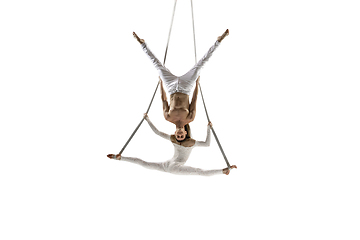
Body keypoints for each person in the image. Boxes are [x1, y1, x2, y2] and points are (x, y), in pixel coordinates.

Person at [133, 29, 229, 142]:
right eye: (181, 136)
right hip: (186, 88)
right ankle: (218, 41)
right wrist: (196, 83)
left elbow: (163, 99)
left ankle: (143, 44)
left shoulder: (168, 118)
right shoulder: (190, 118)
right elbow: (194, 100)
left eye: (178, 136)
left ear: (175, 133)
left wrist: (161, 83)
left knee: (158, 67)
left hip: (170, 88)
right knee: (200, 66)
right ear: (185, 133)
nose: (179, 135)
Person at [107, 114, 236, 176]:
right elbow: (157, 132)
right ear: (176, 132)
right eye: (178, 134)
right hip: (167, 164)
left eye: (181, 134)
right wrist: (147, 120)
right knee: (143, 163)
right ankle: (119, 158)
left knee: (198, 172)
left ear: (185, 133)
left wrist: (208, 128)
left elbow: (207, 144)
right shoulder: (173, 138)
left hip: (176, 167)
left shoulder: (191, 143)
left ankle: (223, 171)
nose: (179, 136)